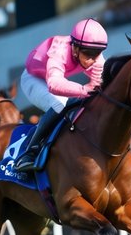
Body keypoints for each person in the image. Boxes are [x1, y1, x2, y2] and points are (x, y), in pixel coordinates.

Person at [11, 18, 108, 174]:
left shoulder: (95, 56)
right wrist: (84, 89)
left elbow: (100, 86)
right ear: (75, 47)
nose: (92, 60)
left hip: (50, 78)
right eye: (87, 54)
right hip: (33, 79)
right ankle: (30, 152)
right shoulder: (60, 50)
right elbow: (54, 84)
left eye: (96, 54)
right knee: (61, 103)